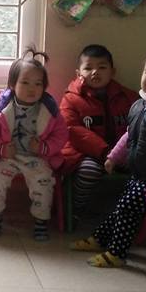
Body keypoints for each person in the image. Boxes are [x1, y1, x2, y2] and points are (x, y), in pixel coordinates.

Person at [70, 47, 146, 267]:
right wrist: (113, 157)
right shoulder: (140, 105)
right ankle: (100, 238)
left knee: (127, 209)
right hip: (140, 172)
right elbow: (129, 135)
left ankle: (117, 253)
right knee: (121, 206)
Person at [0, 49, 68, 240]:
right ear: (12, 84)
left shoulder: (49, 110)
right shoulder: (0, 107)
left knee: (43, 181)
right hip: (7, 156)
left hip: (36, 157)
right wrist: (0, 148)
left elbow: (61, 134)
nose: (31, 88)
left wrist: (43, 147)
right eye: (25, 82)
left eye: (38, 84)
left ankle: (41, 220)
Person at [59, 44, 138, 221]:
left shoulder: (128, 97)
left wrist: (120, 152)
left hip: (121, 151)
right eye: (88, 68)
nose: (95, 72)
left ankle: (130, 215)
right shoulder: (71, 98)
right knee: (88, 171)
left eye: (102, 67)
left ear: (112, 71)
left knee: (144, 168)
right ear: (78, 73)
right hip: (86, 153)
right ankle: (76, 208)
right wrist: (104, 151)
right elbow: (71, 129)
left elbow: (139, 124)